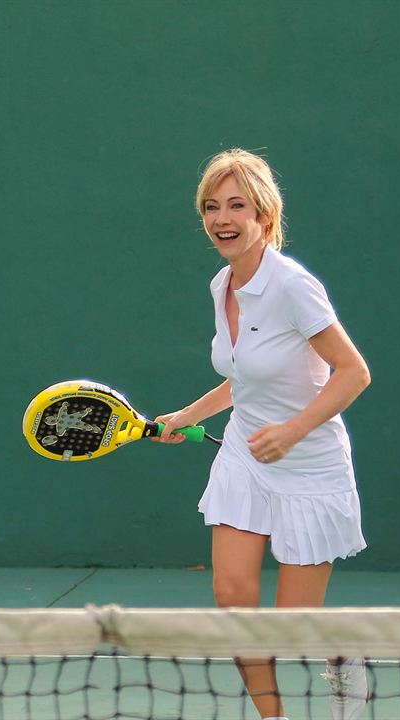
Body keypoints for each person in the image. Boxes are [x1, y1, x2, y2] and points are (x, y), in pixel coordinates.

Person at [153, 149, 371, 720]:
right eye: (211, 206)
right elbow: (242, 376)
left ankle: (341, 655)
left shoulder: (294, 287)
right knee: (233, 600)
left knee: (292, 628)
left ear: (264, 215)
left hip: (310, 465)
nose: (221, 218)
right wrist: (185, 416)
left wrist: (294, 431)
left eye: (236, 205)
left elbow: (354, 373)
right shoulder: (221, 283)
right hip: (245, 457)